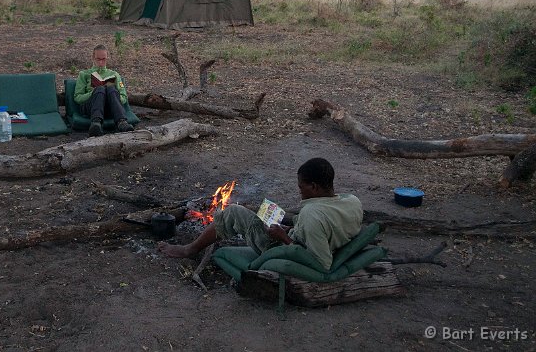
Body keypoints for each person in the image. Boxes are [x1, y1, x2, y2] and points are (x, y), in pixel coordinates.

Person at [158, 157, 363, 271]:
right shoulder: (351, 201)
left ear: (315, 186)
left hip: (283, 249)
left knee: (232, 212)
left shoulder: (312, 214)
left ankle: (188, 249)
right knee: (267, 209)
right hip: (301, 237)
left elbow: (322, 263)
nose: (299, 191)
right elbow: (326, 230)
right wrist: (291, 229)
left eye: (302, 187)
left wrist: (283, 237)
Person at [74, 44, 135, 137]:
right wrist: (93, 93)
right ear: (93, 58)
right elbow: (77, 97)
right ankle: (96, 124)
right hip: (91, 108)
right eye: (98, 59)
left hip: (110, 108)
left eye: (104, 59)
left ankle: (122, 122)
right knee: (100, 89)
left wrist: (113, 96)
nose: (101, 62)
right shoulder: (84, 74)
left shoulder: (115, 75)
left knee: (111, 89)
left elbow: (124, 97)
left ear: (107, 58)